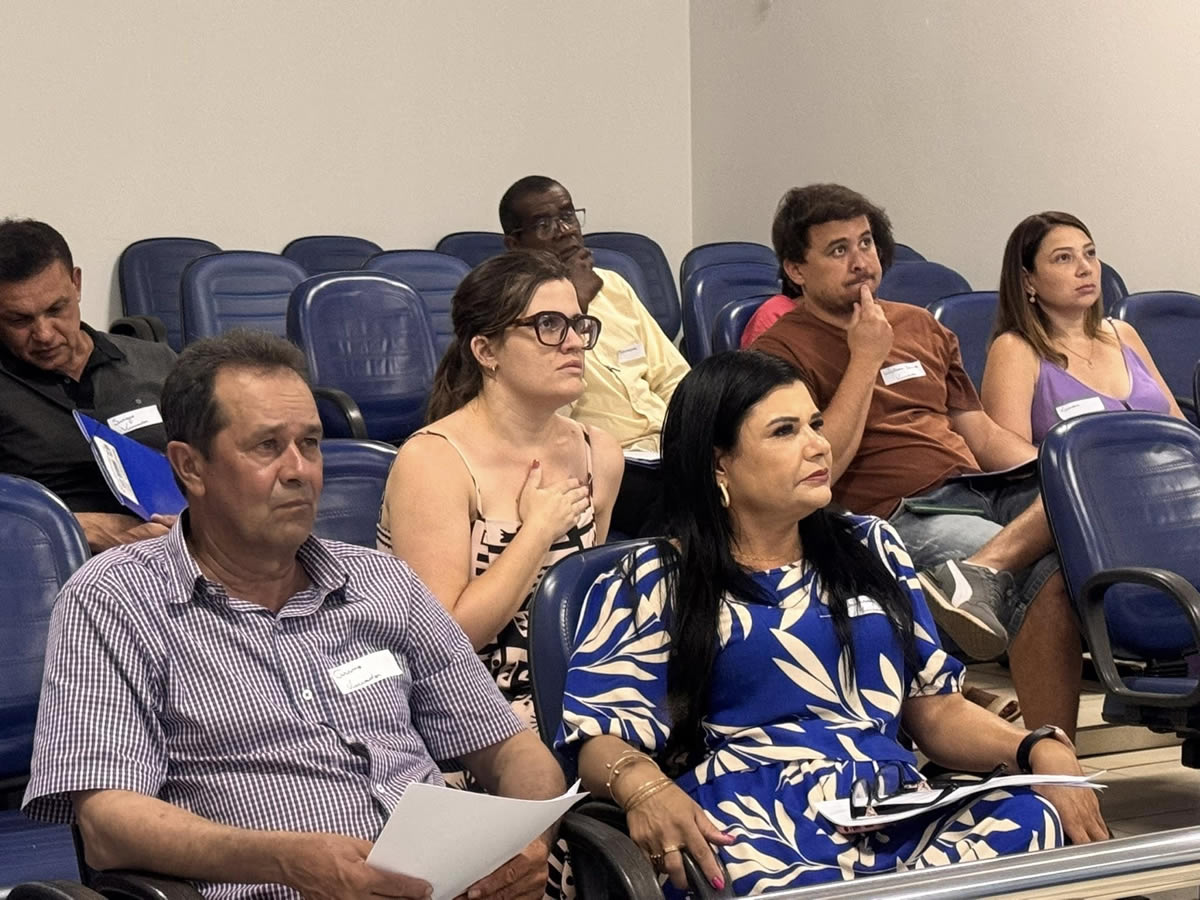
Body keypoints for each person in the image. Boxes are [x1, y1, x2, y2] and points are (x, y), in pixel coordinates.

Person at [23, 329, 566, 900]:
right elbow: (107, 825)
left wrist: (526, 842)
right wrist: (284, 860)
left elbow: (512, 750)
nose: (299, 470)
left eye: (309, 443)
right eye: (267, 446)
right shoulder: (117, 599)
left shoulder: (384, 583)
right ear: (190, 467)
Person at [556, 351, 1105, 896]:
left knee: (1030, 816)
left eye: (815, 425)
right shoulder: (655, 576)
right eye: (784, 431)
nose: (818, 444)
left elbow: (936, 710)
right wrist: (645, 790)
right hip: (749, 821)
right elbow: (596, 735)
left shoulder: (871, 547)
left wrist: (1034, 747)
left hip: (889, 806)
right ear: (719, 464)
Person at [751, 184, 1084, 743]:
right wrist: (865, 357)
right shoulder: (779, 353)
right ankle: (1052, 756)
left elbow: (976, 429)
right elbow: (821, 467)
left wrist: (1058, 472)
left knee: (1085, 501)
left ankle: (981, 575)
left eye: (865, 243)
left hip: (978, 487)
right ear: (796, 269)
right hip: (896, 510)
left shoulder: (921, 324)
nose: (861, 261)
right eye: (838, 250)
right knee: (1044, 572)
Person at [379, 250, 623, 898]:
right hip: (469, 710)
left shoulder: (599, 452)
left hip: (571, 692)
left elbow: (578, 616)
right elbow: (447, 639)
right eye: (548, 325)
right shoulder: (434, 460)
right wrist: (536, 531)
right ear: (486, 350)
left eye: (579, 323)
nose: (573, 341)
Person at [500, 175, 688, 536]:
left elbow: (673, 377)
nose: (565, 231)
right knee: (690, 498)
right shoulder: (513, 312)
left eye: (568, 216)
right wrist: (575, 307)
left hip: (666, 449)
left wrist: (698, 431)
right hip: (597, 463)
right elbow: (540, 415)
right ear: (515, 244)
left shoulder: (613, 286)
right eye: (544, 225)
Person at [0, 218, 178, 551]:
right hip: (61, 559)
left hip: (184, 542)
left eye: (56, 309)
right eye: (19, 320)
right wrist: (77, 527)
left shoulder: (156, 361)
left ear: (77, 283)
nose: (44, 334)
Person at [983, 211, 1181, 443]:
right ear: (1028, 281)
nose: (1085, 268)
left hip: (1174, 465)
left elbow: (1180, 425)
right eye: (1063, 258)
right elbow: (1011, 457)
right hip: (1084, 468)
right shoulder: (1015, 349)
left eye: (1090, 253)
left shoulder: (1122, 333)